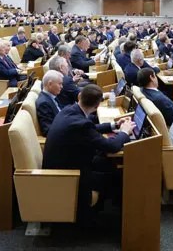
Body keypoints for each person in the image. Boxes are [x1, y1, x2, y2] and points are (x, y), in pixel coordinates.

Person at [43, 84, 135, 221]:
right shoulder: (81, 125)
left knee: (105, 163)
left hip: (65, 164)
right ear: (97, 106)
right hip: (69, 176)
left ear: (80, 96)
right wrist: (124, 132)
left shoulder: (69, 110)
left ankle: (101, 209)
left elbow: (91, 128)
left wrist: (114, 125)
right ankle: (114, 221)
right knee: (118, 178)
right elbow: (112, 146)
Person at [36, 70, 64, 136]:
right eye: (59, 84)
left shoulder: (52, 96)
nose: (61, 86)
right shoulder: (44, 103)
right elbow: (47, 130)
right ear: (50, 84)